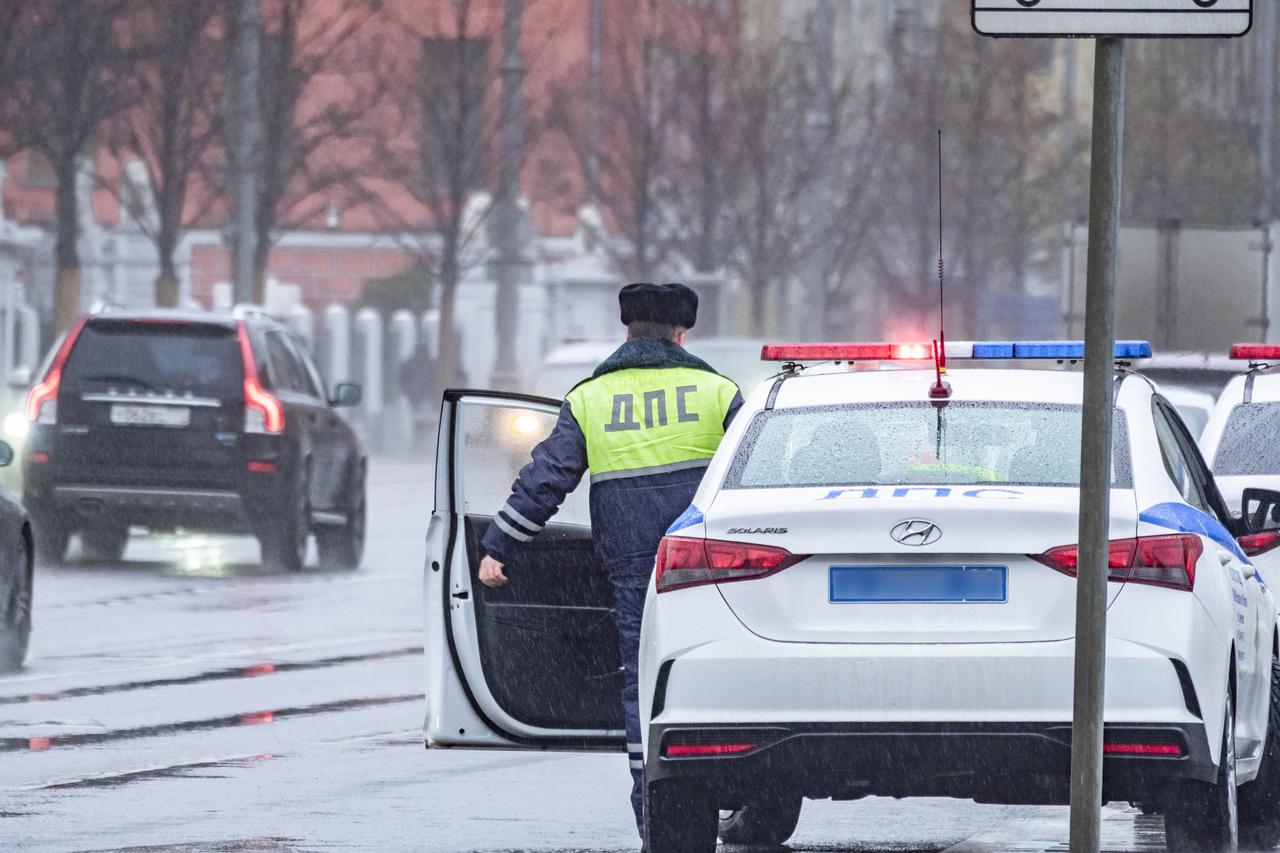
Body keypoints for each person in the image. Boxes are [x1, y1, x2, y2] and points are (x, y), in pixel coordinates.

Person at [477, 282, 743, 841]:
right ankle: (738, 785)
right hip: (708, 566)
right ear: (681, 334)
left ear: (626, 331)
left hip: (631, 565)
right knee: (717, 676)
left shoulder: (590, 398)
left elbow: (547, 479)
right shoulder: (717, 391)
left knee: (643, 688)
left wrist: (500, 545)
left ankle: (659, 824)